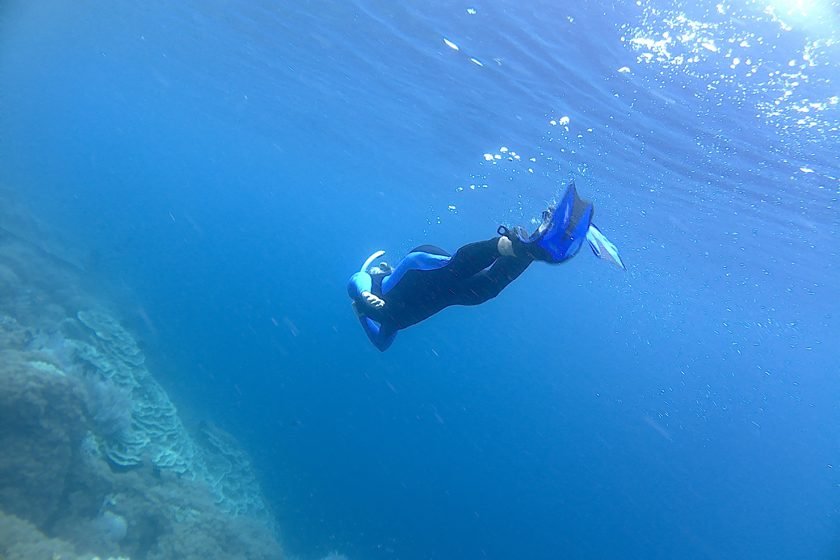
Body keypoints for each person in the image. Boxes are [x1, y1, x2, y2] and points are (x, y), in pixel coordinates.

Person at [347, 181, 624, 351]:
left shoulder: (376, 278)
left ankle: (507, 245)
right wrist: (362, 311)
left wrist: (362, 297)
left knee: (449, 270)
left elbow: (358, 278)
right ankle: (533, 248)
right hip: (428, 293)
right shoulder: (387, 318)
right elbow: (382, 344)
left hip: (422, 274)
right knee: (484, 290)